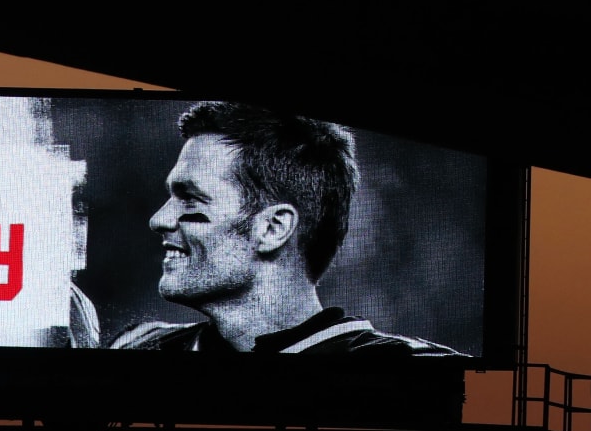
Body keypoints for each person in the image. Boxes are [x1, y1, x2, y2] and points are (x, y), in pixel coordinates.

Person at [110, 101, 465, 356]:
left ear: (273, 228)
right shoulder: (139, 346)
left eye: (191, 200)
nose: (159, 220)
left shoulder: (415, 378)